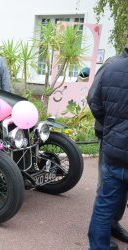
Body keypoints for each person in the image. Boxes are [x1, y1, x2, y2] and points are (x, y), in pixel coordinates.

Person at [87, 34, 128, 245]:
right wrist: (111, 126)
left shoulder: (113, 67)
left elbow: (97, 104)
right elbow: (93, 99)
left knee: (111, 196)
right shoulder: (111, 64)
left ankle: (112, 226)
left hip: (114, 142)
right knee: (106, 191)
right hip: (112, 141)